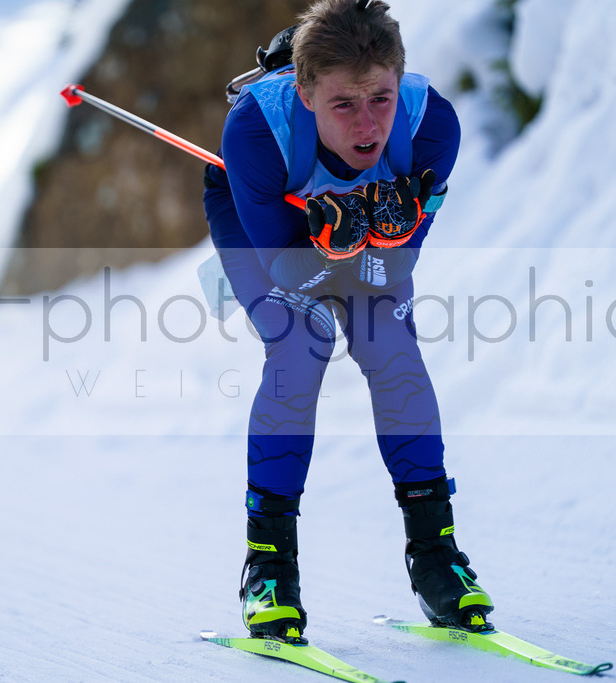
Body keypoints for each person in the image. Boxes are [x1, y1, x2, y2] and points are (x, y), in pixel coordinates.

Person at [202, 0, 493, 643]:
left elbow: (391, 275)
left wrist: (379, 233)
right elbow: (290, 272)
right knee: (301, 344)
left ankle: (438, 555)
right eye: (343, 105)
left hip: (349, 241)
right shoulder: (256, 131)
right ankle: (269, 570)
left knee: (392, 349)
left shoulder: (431, 126)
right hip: (259, 225)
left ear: (400, 80)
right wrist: (340, 238)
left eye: (381, 98)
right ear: (305, 93)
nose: (368, 127)